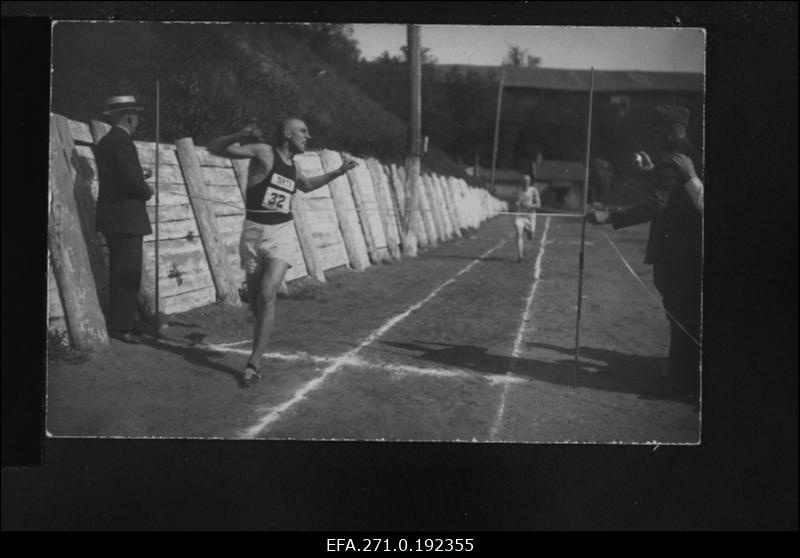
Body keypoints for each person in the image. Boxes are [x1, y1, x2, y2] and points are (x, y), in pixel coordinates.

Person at [208, 117, 357, 387]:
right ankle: (261, 329)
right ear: (287, 134)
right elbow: (215, 149)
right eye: (303, 131)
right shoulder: (264, 152)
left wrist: (338, 172)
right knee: (256, 303)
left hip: (281, 234)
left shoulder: (294, 167)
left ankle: (254, 362)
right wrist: (240, 132)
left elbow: (307, 186)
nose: (308, 136)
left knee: (268, 292)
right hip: (253, 232)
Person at [588, 105, 702, 398]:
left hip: (675, 254)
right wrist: (654, 171)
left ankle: (680, 381)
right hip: (690, 251)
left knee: (680, 315)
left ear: (672, 129)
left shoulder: (672, 160)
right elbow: (679, 190)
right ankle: (683, 375)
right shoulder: (693, 155)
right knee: (686, 314)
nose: (656, 137)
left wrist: (610, 217)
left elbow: (656, 205)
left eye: (659, 130)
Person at [95, 95, 154, 344]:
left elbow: (119, 175)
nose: (138, 120)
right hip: (126, 216)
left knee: (122, 270)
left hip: (113, 216)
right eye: (136, 116)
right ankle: (121, 326)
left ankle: (127, 320)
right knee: (127, 271)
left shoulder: (106, 142)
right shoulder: (124, 142)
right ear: (129, 117)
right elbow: (131, 182)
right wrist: (147, 190)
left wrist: (141, 174)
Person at [514, 174, 541, 262]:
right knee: (518, 233)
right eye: (524, 181)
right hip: (520, 216)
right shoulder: (518, 190)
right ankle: (520, 256)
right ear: (521, 182)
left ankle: (528, 231)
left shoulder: (533, 190)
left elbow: (539, 205)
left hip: (530, 217)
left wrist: (529, 205)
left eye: (527, 181)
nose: (525, 183)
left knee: (530, 237)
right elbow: (515, 202)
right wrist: (516, 204)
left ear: (529, 182)